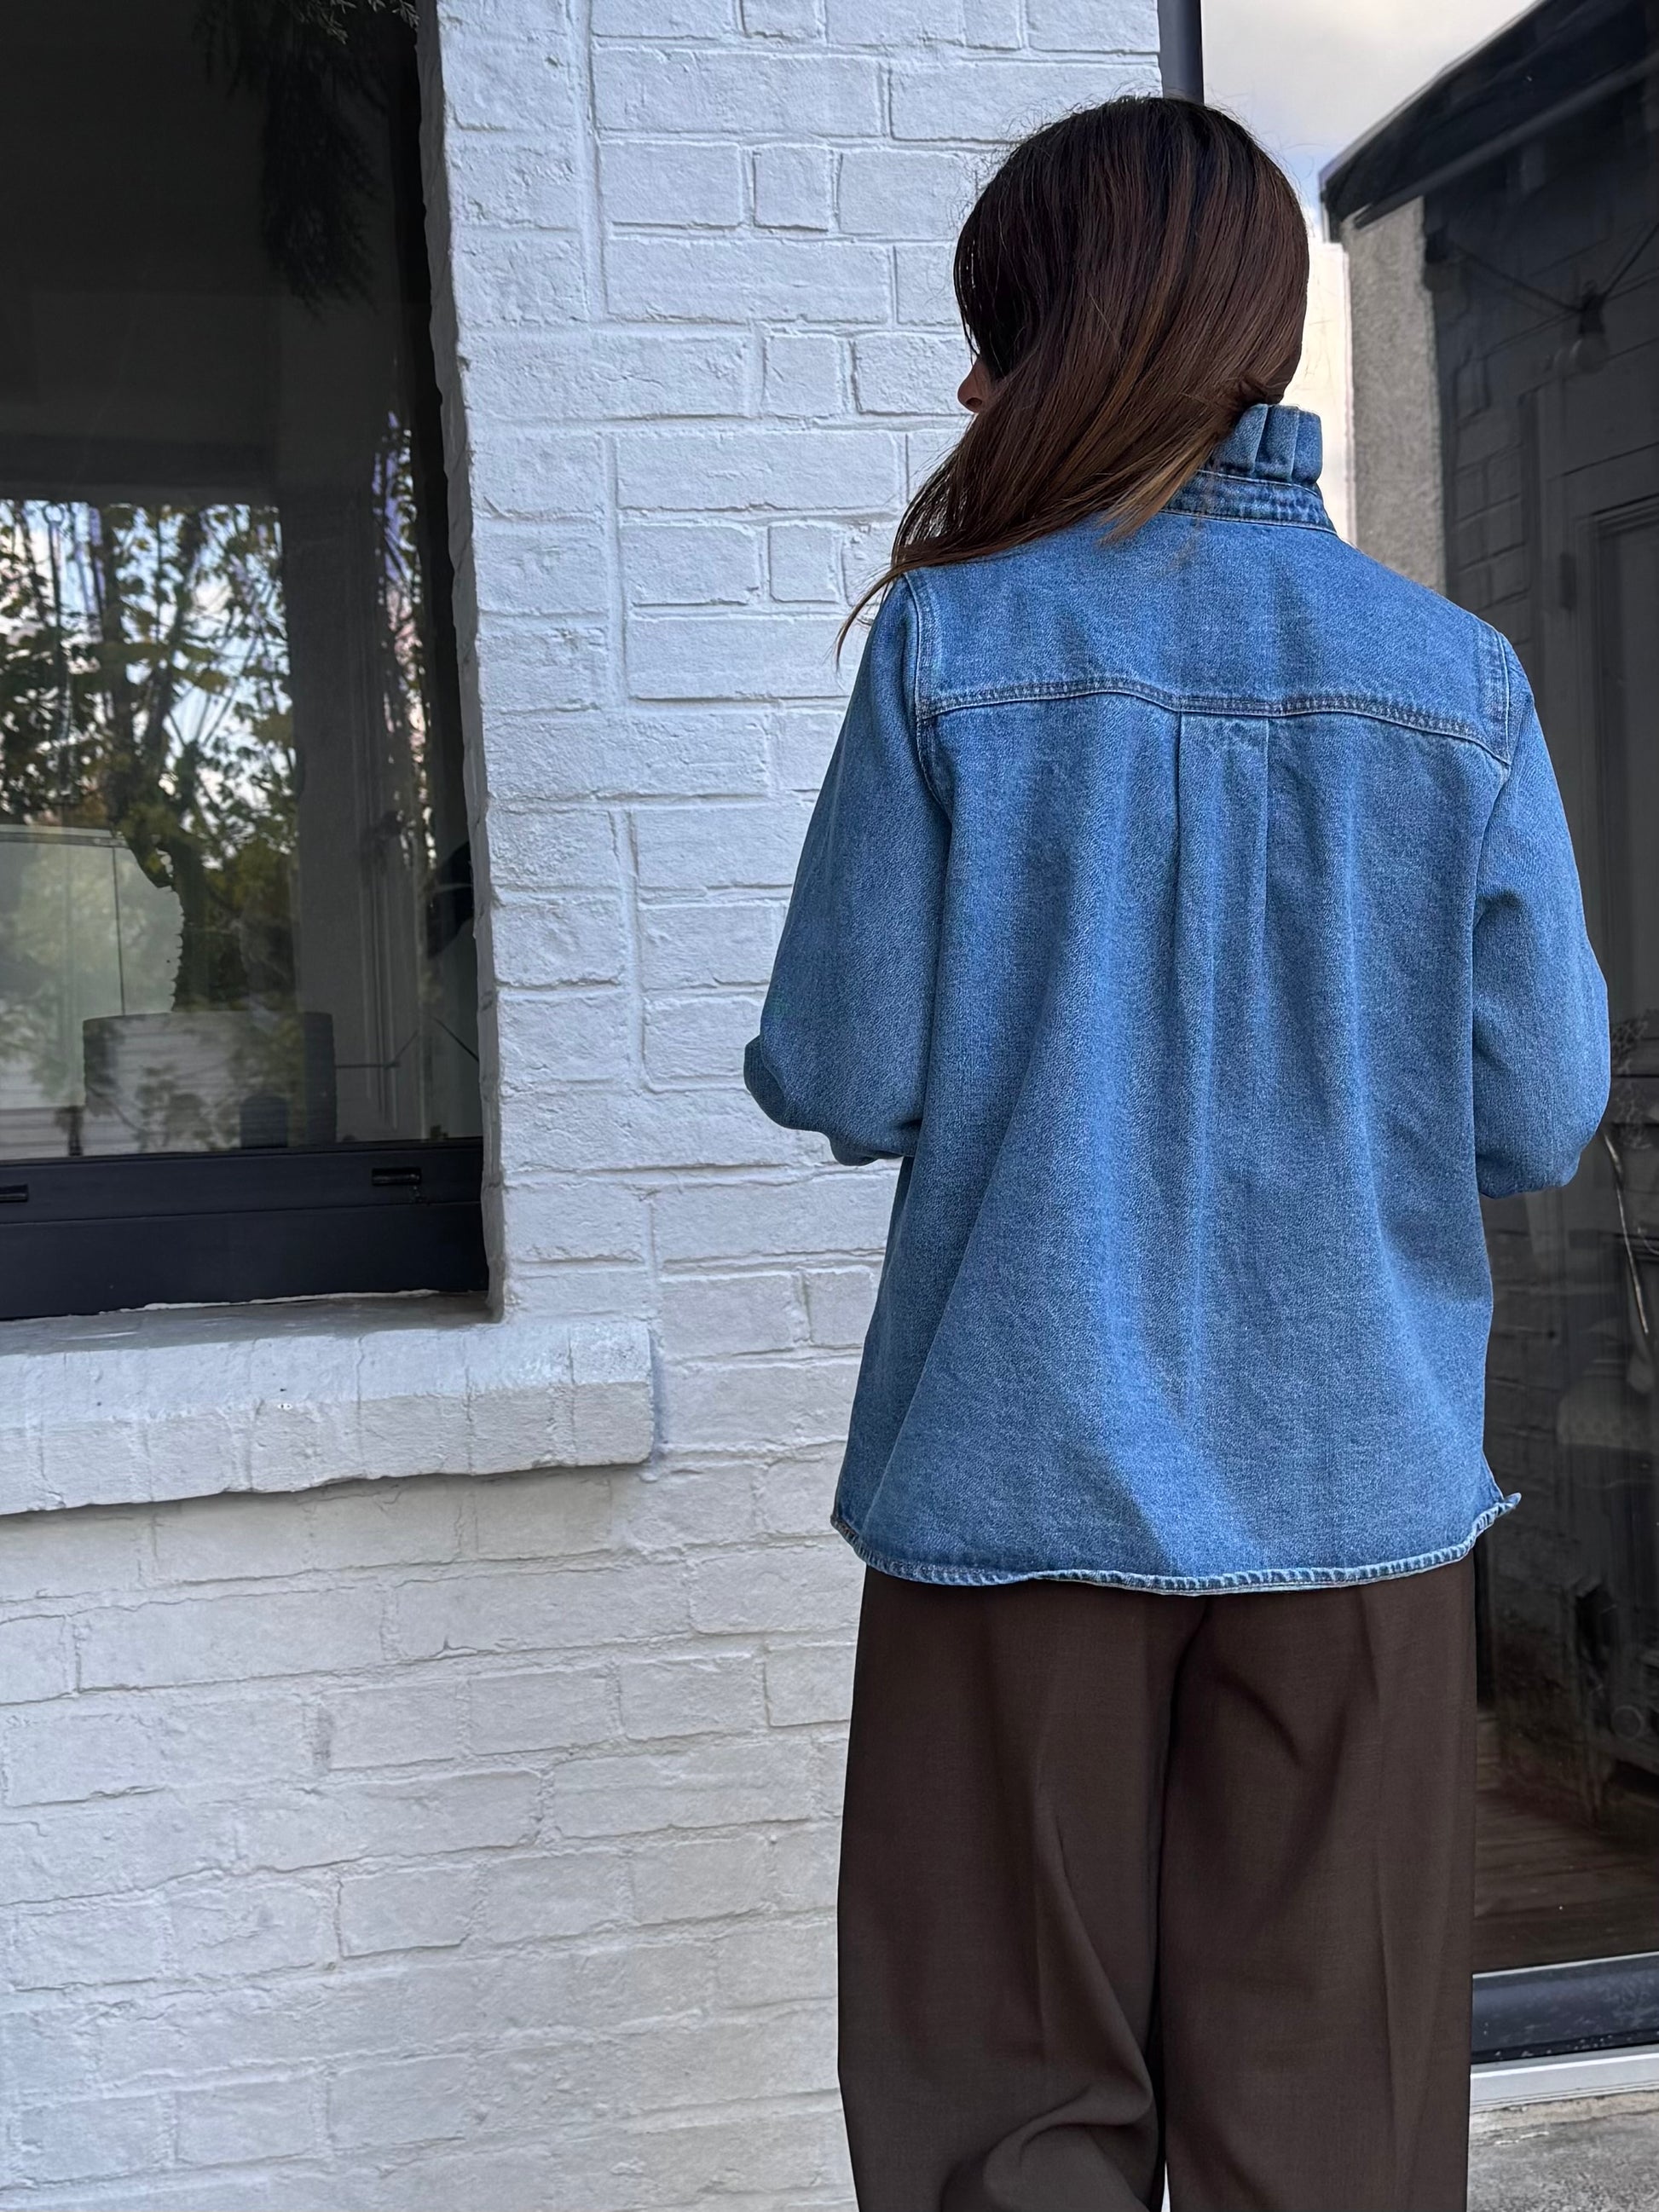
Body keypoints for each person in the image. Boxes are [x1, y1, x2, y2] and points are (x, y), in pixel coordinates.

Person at [743, 96, 1609, 2212]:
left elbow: (842, 1065)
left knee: (1005, 2121)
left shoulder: (950, 647)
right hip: (1356, 1505)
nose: (973, 386)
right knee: (1332, 2123)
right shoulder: (1458, 683)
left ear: (1095, 332)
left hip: (1012, 1497)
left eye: (1000, 329)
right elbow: (1532, 1108)